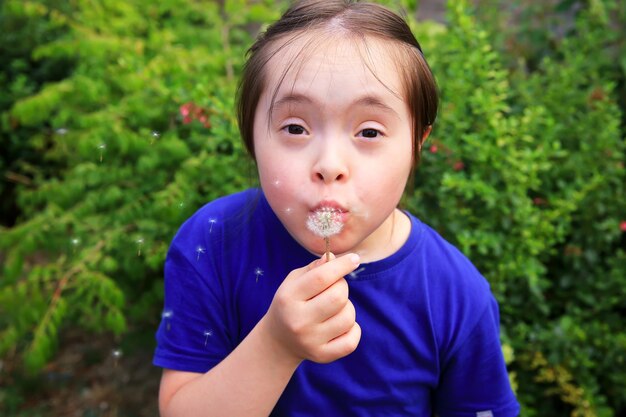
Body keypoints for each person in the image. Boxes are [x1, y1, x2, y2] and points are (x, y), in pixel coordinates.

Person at [153, 0, 520, 416]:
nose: (329, 165)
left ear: (417, 142)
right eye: (295, 128)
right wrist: (275, 345)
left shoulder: (455, 295)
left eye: (368, 131)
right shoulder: (214, 241)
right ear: (251, 137)